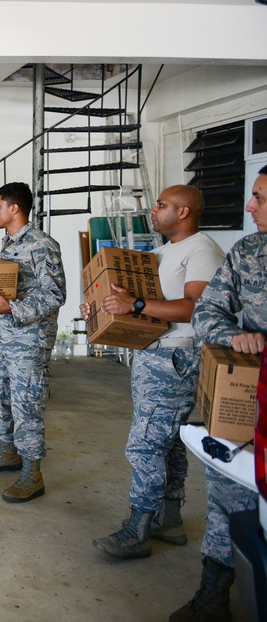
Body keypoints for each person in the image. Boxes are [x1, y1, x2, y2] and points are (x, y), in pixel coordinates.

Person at [83, 186, 224, 559]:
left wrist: (137, 303)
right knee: (168, 440)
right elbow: (135, 306)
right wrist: (104, 308)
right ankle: (170, 519)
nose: (153, 209)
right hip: (154, 355)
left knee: (145, 443)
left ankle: (138, 529)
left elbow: (196, 308)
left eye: (162, 205)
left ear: (183, 212)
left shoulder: (202, 250)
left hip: (175, 358)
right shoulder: (162, 253)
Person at [171, 167, 267, 621]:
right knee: (228, 493)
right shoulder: (247, 252)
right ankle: (213, 594)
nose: (250, 207)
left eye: (260, 198)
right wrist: (234, 336)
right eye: (251, 195)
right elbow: (207, 310)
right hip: (245, 399)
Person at [0, 182, 66, 503]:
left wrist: (11, 307)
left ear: (14, 209)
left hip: (29, 340)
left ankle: (32, 473)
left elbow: (54, 294)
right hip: (4, 336)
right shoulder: (10, 242)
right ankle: (8, 451)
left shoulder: (42, 245)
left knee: (26, 403)